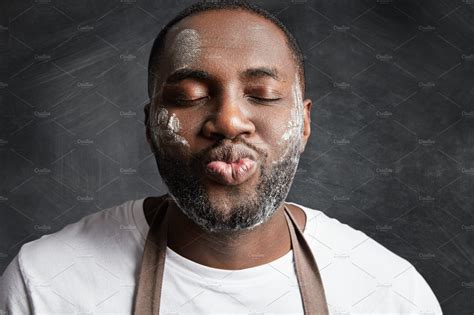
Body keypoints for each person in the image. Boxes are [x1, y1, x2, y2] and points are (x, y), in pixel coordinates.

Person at [1, 1, 442, 314]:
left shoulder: (388, 293)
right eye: (189, 96)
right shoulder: (47, 284)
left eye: (263, 95)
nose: (229, 120)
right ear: (151, 125)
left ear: (304, 124)